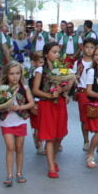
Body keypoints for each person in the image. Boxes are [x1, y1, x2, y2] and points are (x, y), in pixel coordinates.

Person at [31, 42, 69, 178]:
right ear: (46, 54)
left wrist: (63, 90)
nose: (57, 54)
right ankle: (51, 168)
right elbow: (35, 90)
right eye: (54, 52)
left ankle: (53, 160)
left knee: (59, 135)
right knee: (49, 137)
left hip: (60, 103)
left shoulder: (61, 69)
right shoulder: (41, 70)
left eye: (58, 52)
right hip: (47, 105)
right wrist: (48, 95)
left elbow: (67, 85)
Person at [0, 62, 35, 186]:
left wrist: (20, 106)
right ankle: (9, 174)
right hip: (7, 121)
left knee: (19, 148)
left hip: (20, 121)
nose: (15, 76)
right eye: (12, 74)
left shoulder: (24, 88)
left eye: (17, 73)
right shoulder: (2, 88)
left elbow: (31, 103)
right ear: (7, 75)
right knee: (10, 147)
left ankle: (19, 173)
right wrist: (2, 107)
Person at [73, 37, 97, 151]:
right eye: (87, 47)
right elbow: (74, 77)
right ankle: (86, 140)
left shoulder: (97, 62)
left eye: (92, 47)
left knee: (97, 115)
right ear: (82, 48)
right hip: (82, 92)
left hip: (95, 92)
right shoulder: (78, 63)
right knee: (84, 118)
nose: (89, 50)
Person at [28, 52, 44, 155]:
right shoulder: (35, 73)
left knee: (43, 124)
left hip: (43, 101)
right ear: (34, 63)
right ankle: (39, 145)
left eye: (43, 62)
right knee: (38, 125)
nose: (42, 65)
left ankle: (41, 142)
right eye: (40, 62)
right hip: (36, 101)